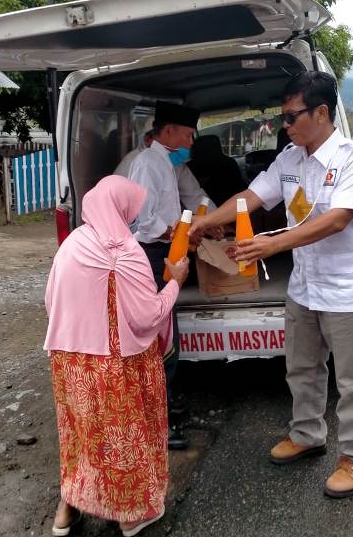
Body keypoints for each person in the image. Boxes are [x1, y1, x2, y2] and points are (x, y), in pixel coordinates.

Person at [191, 71, 353, 499]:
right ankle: (308, 434)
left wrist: (269, 246)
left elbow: (336, 220)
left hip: (347, 289)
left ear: (321, 112)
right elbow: (251, 197)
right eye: (283, 118)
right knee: (302, 369)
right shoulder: (289, 159)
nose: (285, 127)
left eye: (292, 117)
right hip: (305, 288)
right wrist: (206, 220)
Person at [44, 175, 189, 537]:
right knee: (123, 439)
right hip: (117, 363)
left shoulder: (73, 243)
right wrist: (175, 282)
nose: (133, 218)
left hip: (69, 359)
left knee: (81, 435)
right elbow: (148, 316)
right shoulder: (126, 253)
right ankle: (129, 516)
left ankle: (68, 510)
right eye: (131, 210)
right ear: (120, 208)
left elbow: (50, 301)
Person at [127, 101, 217, 450]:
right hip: (150, 256)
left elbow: (194, 198)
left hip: (165, 253)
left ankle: (162, 406)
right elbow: (141, 220)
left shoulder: (168, 163)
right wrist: (177, 234)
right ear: (168, 132)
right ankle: (156, 426)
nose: (193, 142)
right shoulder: (147, 164)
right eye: (188, 134)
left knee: (167, 334)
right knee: (157, 339)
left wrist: (200, 224)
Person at [187, 134, 247, 205]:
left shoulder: (189, 167)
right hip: (231, 205)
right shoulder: (229, 163)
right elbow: (239, 187)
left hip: (199, 207)